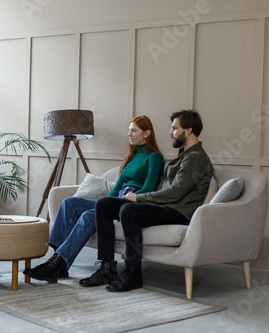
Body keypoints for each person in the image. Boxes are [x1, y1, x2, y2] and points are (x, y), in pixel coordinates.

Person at [80, 109, 214, 292]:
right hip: (165, 207)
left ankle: (133, 273)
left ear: (188, 130)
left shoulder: (196, 158)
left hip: (179, 213)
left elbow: (175, 193)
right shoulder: (185, 155)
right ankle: (106, 267)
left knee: (129, 210)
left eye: (175, 128)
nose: (170, 132)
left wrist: (139, 197)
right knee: (104, 205)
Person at [23, 115, 164, 283]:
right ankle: (58, 261)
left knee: (88, 216)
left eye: (134, 130)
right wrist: (105, 205)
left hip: (131, 204)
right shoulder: (131, 157)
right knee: (69, 202)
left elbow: (148, 189)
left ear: (147, 133)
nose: (129, 134)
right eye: (129, 130)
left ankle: (56, 266)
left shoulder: (154, 157)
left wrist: (122, 201)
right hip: (116, 200)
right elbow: (117, 188)